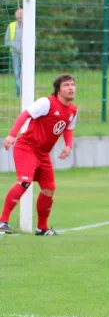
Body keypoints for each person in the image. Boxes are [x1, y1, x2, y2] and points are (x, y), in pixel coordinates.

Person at [0, 74, 78, 235]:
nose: (71, 88)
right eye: (66, 85)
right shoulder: (46, 102)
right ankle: (2, 221)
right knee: (24, 182)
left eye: (72, 85)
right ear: (58, 89)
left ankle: (41, 228)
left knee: (49, 189)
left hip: (43, 154)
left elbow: (69, 128)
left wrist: (68, 145)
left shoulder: (73, 110)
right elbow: (25, 115)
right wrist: (12, 134)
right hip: (26, 147)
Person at [3, 8, 23, 97]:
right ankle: (19, 92)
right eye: (19, 16)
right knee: (17, 73)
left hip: (26, 55)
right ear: (16, 16)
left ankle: (25, 91)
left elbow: (34, 40)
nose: (20, 18)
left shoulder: (29, 25)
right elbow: (7, 41)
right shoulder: (11, 26)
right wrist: (16, 47)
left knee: (25, 73)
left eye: (22, 16)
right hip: (15, 54)